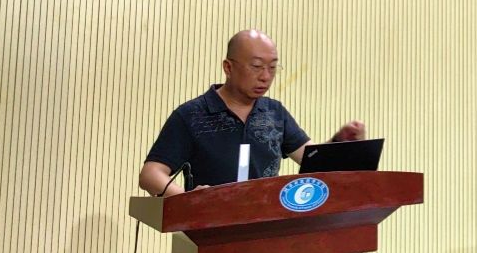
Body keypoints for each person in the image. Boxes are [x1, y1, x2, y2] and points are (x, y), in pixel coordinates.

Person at [139, 29, 366, 196]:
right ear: (228, 67)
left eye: (272, 67)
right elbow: (151, 174)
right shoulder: (192, 114)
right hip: (209, 230)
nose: (266, 76)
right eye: (256, 67)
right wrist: (188, 199)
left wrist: (341, 143)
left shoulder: (275, 113)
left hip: (267, 226)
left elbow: (313, 162)